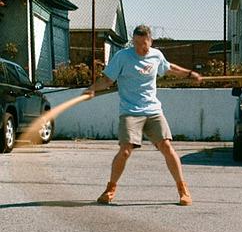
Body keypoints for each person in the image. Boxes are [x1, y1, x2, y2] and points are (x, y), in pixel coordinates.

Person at [84, 24, 202, 206]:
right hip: (130, 112)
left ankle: (183, 190)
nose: (140, 48)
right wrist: (92, 89)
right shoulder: (122, 57)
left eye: (144, 44)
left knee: (166, 146)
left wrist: (190, 73)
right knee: (124, 151)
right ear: (133, 41)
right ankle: (110, 189)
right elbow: (108, 80)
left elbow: (168, 68)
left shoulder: (156, 55)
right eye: (137, 43)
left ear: (150, 41)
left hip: (153, 110)